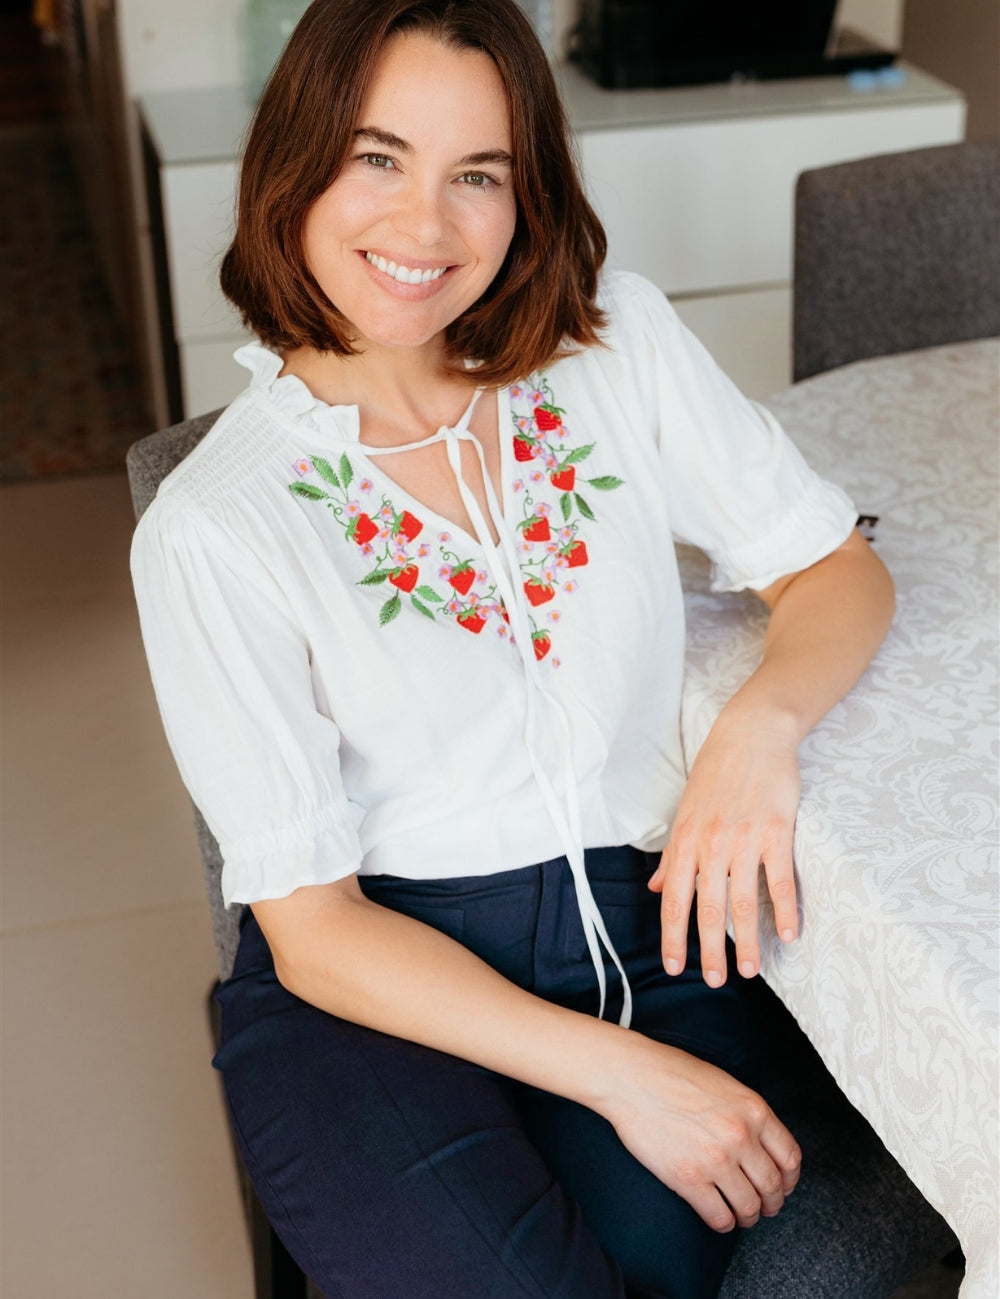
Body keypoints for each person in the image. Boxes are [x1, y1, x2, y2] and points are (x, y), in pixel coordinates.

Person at [130, 1, 896, 1295]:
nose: (424, 227)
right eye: (378, 156)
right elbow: (312, 930)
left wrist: (757, 733)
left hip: (648, 942)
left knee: (647, 1260)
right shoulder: (219, 522)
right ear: (294, 160)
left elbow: (831, 567)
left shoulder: (615, 346)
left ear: (525, 190)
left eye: (475, 173)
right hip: (374, 981)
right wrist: (632, 1077)